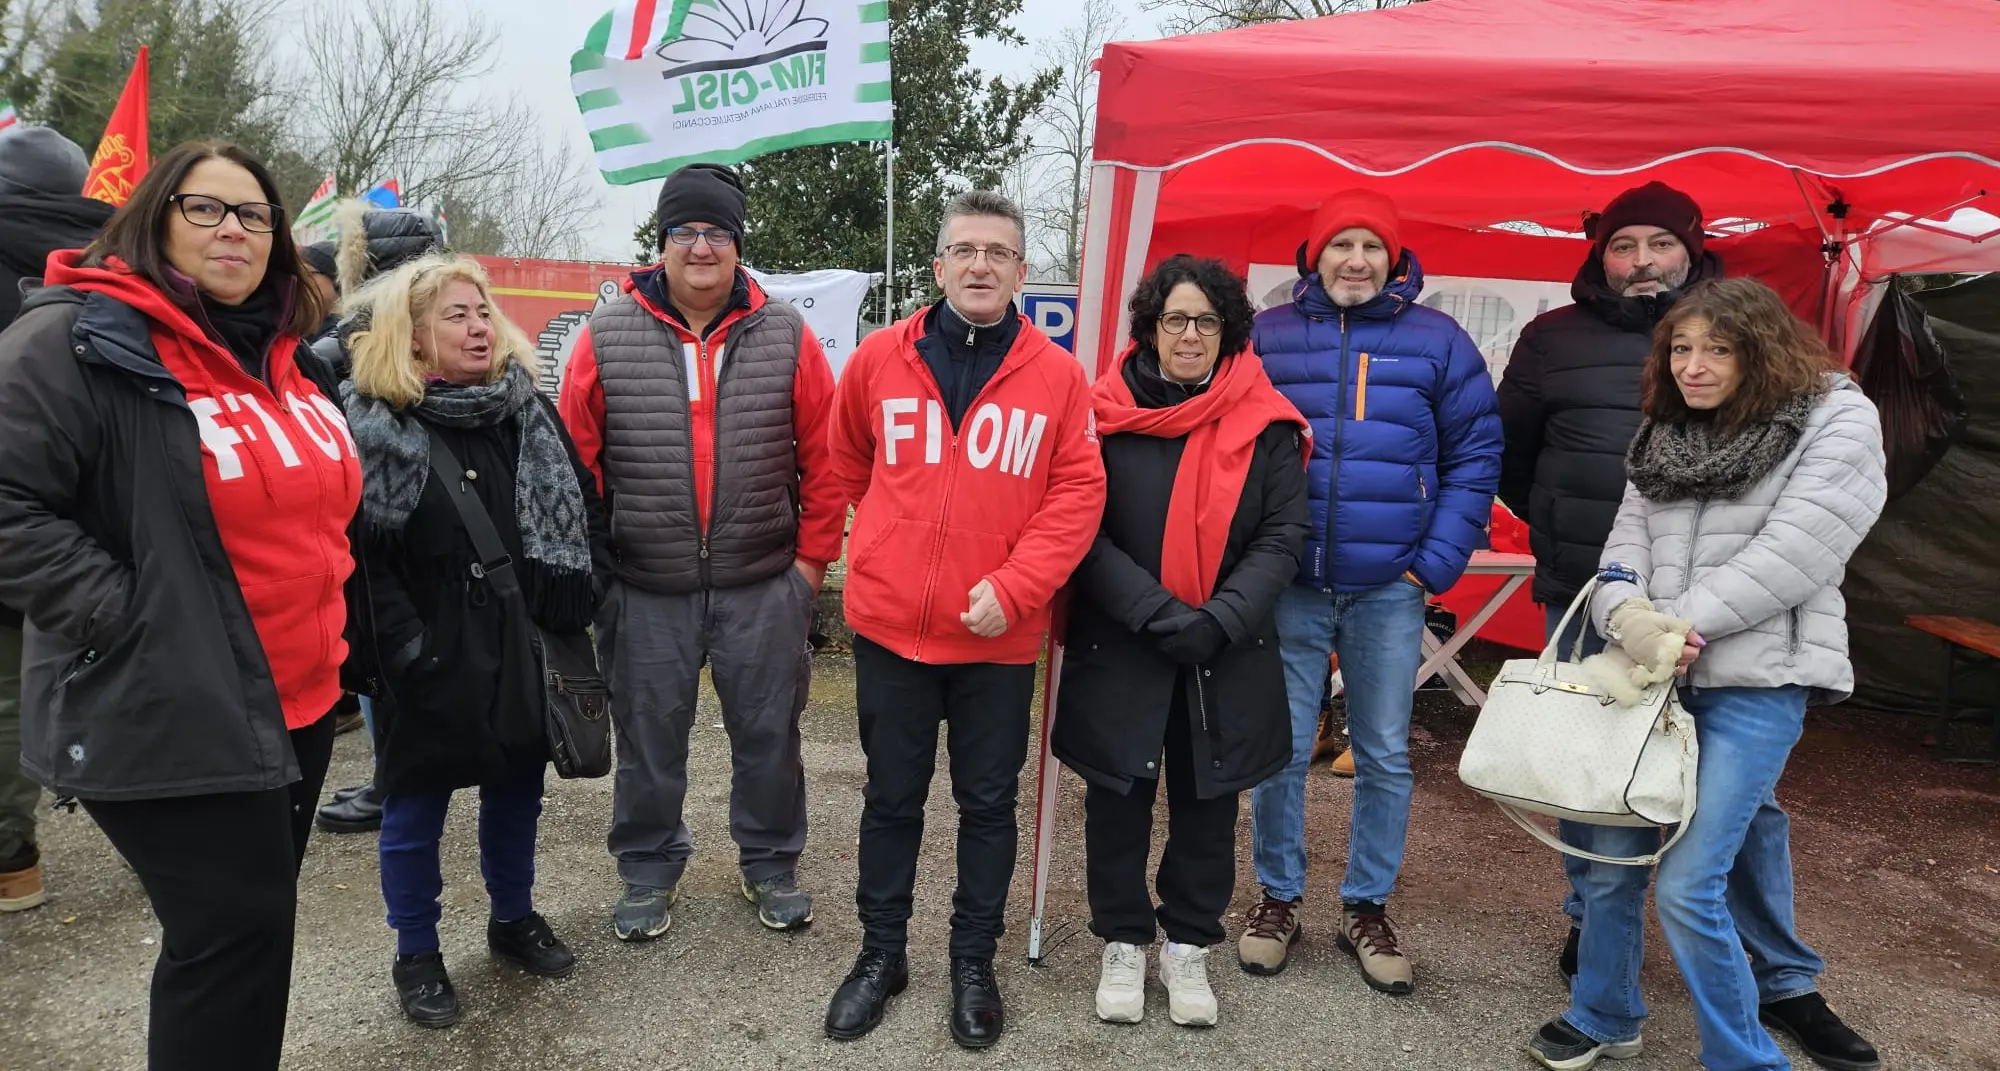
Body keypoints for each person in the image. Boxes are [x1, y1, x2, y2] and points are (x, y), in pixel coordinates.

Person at [0, 141, 356, 1071]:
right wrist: (129, 613)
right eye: (206, 208)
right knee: (229, 938)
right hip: (172, 697)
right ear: (153, 215)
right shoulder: (76, 338)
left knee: (253, 933)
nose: (234, 228)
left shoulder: (289, 354)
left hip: (299, 700)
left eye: (254, 214)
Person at [1527, 277, 1886, 1071]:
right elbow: (1623, 546)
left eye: (1717, 348)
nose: (1693, 366)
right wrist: (1629, 618)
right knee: (1614, 853)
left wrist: (1677, 624)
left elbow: (1802, 548)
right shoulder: (1665, 427)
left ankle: (1749, 1053)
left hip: (1759, 678)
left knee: (1691, 880)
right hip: (1653, 669)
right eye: (1680, 348)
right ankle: (1604, 1010)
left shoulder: (1835, 415)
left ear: (1763, 348)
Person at [821, 190, 1105, 1048]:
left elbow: (1078, 492)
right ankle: (881, 954)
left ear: (1022, 271)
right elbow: (849, 462)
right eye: (964, 250)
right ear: (938, 266)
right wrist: (898, 551)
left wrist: (1016, 585)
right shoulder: (878, 359)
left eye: (998, 252)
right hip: (893, 634)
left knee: (988, 807)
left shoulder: (1057, 378)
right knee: (890, 800)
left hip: (997, 641)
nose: (980, 265)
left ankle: (972, 962)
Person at [558, 163, 843, 939]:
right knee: (649, 737)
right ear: (662, 242)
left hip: (762, 583)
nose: (702, 246)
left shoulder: (784, 331)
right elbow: (572, 463)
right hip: (645, 584)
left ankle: (770, 863)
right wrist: (599, 573)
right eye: (685, 231)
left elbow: (825, 455)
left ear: (738, 244)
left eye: (717, 231)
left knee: (769, 734)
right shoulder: (607, 332)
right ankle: (648, 870)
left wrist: (810, 567)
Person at [340, 253, 611, 1028]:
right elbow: (363, 557)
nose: (477, 326)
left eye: (482, 311)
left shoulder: (524, 408)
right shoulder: (376, 423)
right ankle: (417, 953)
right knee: (413, 809)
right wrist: (407, 649)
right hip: (427, 654)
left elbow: (585, 508)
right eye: (455, 315)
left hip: (519, 643)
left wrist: (580, 588)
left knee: (517, 794)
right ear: (413, 336)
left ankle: (512, 917)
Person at [1241, 188, 1502, 993]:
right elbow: (1226, 442)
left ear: (1394, 259)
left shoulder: (1438, 341)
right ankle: (1277, 898)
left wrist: (1434, 562)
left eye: (1371, 247)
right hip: (1288, 581)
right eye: (1340, 245)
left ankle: (1366, 905)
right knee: (1280, 749)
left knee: (1384, 754)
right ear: (1312, 257)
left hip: (1391, 582)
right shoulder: (1267, 335)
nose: (1356, 260)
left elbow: (1475, 452)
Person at [1054, 255, 1308, 1028]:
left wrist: (1219, 618)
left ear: (1228, 330)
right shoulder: (1099, 414)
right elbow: (1082, 529)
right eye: (1175, 319)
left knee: (1209, 800)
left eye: (1206, 320)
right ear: (1150, 328)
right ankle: (1125, 938)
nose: (1190, 334)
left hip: (1226, 645)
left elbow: (1283, 534)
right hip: (1126, 638)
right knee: (1117, 798)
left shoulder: (1266, 420)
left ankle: (1190, 943)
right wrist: (1161, 614)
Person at [1497, 181, 1723, 972]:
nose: (1642, 261)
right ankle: (1592, 920)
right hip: (1588, 592)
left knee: (1725, 778)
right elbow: (1511, 459)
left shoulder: (1741, 332)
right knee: (1588, 770)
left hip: (1713, 603)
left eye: (1659, 244)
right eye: (1624, 246)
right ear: (1601, 255)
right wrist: (1562, 524)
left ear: (1691, 249)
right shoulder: (1551, 338)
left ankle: (1733, 941)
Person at [0, 123, 115, 914]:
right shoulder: (111, 269)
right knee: (20, 685)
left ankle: (11, 852)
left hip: (23, 506)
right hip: (78, 520)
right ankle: (15, 852)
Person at [312, 197, 447, 836]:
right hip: (415, 526)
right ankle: (391, 774)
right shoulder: (353, 350)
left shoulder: (334, 351)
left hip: (368, 531)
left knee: (379, 653)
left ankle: (393, 775)